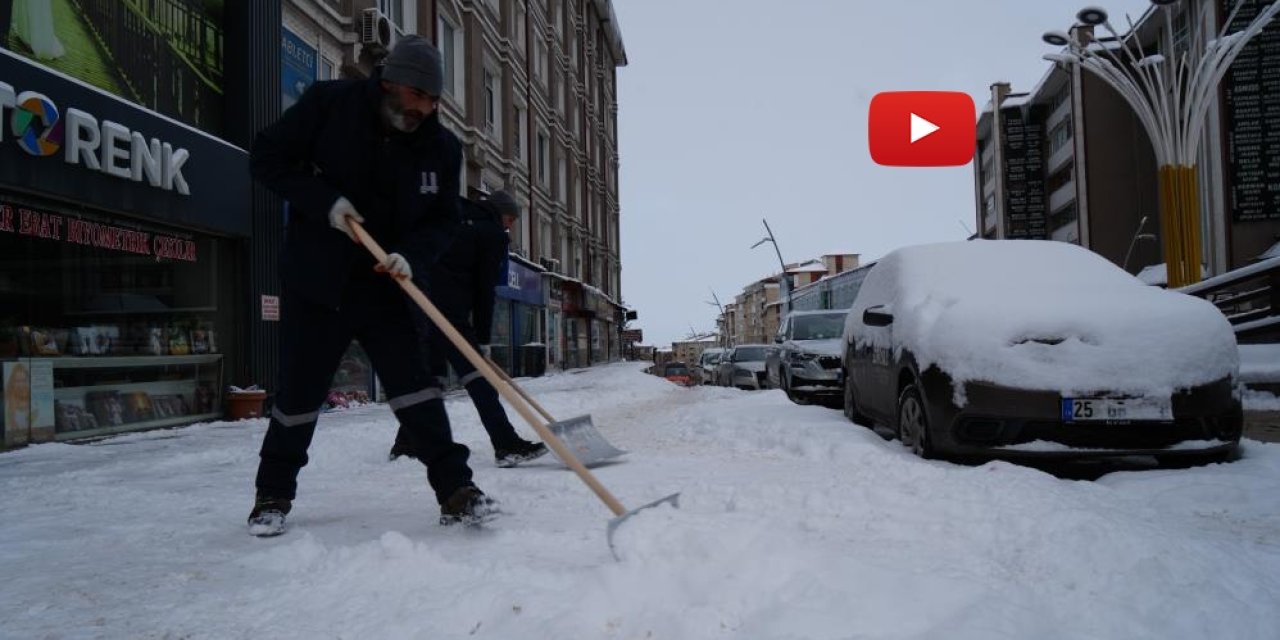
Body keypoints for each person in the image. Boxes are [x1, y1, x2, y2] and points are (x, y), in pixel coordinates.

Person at [245, 35, 494, 537]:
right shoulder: (329, 105)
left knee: (418, 392)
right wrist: (325, 203)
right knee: (299, 395)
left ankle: (456, 489)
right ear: (391, 84)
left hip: (388, 286)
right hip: (319, 281)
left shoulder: (441, 148)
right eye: (419, 98)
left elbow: (445, 220)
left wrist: (413, 256)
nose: (425, 110)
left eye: (433, 102)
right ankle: (272, 494)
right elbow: (267, 158)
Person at [389, 190, 549, 467]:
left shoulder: (455, 217)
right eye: (510, 219)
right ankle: (506, 444)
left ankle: (406, 442)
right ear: (501, 214)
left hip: (422, 303)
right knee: (480, 379)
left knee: (431, 380)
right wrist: (483, 337)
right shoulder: (492, 234)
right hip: (451, 313)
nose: (510, 225)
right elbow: (484, 289)